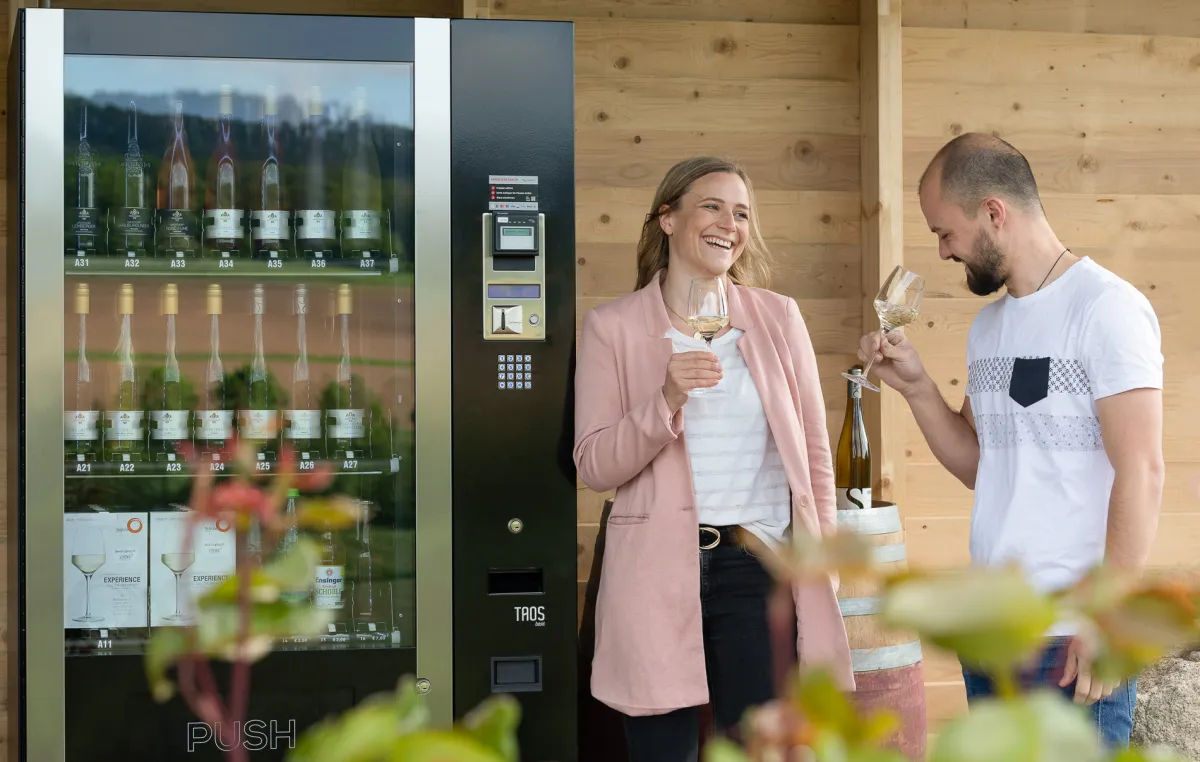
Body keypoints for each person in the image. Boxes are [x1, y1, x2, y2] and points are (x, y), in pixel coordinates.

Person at [856, 132, 1164, 748]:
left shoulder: (1106, 310)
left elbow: (1143, 472)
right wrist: (916, 386)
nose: (942, 253)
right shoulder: (990, 327)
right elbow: (979, 463)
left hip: (1070, 642)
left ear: (994, 212)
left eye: (946, 233)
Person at [573, 156, 855, 762]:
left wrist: (822, 561)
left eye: (743, 212)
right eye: (712, 206)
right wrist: (665, 399)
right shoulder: (611, 329)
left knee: (762, 751)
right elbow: (594, 465)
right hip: (653, 571)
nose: (730, 222)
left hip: (755, 568)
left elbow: (813, 455)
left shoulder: (778, 319)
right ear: (666, 219)